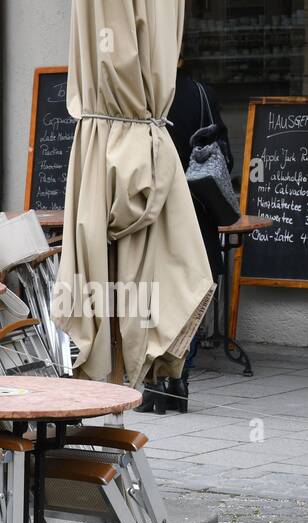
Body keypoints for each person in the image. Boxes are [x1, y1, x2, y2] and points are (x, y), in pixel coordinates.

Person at [144, 66, 233, 414]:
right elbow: (224, 152)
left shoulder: (138, 97)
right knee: (191, 295)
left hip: (153, 212)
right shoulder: (200, 93)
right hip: (198, 212)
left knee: (151, 295)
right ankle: (180, 380)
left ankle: (153, 383)